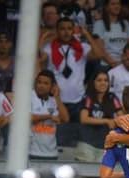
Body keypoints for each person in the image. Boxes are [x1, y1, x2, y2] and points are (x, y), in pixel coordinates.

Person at [42, 17, 103, 147]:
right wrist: (45, 36)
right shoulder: (49, 48)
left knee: (77, 137)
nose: (66, 32)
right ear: (57, 31)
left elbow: (99, 55)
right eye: (62, 29)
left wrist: (87, 35)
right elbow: (39, 56)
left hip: (78, 100)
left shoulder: (82, 47)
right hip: (57, 99)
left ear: (73, 30)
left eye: (69, 28)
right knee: (58, 138)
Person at [76, 70, 123, 162]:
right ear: (93, 82)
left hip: (105, 146)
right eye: (99, 80)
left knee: (102, 176)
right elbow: (84, 119)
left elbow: (121, 117)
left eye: (106, 80)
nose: (103, 83)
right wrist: (106, 121)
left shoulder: (112, 98)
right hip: (87, 144)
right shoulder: (88, 98)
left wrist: (116, 122)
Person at [29, 70, 69, 160]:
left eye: (46, 83)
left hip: (51, 153)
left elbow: (65, 119)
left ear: (52, 86)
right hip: (32, 152)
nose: (41, 86)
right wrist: (49, 116)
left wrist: (57, 97)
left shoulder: (54, 101)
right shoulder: (29, 97)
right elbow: (28, 118)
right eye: (39, 82)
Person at [92, 0, 129, 68]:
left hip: (123, 65)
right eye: (113, 4)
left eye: (118, 4)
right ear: (107, 7)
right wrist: (112, 63)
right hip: (105, 65)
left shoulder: (126, 23)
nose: (117, 6)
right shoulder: (99, 24)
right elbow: (100, 49)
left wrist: (123, 63)